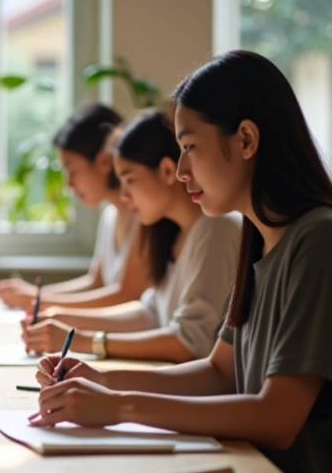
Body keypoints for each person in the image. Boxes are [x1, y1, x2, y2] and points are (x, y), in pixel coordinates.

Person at [32, 50, 332, 473]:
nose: (183, 169)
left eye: (190, 147)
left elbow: (277, 417)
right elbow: (220, 371)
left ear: (247, 139)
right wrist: (104, 380)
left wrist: (121, 407)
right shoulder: (261, 238)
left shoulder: (323, 241)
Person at [23, 110, 239, 363]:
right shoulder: (173, 233)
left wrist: (83, 340)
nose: (124, 197)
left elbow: (191, 342)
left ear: (167, 171)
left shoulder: (216, 229)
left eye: (130, 180)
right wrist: (62, 319)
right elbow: (150, 314)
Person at [0, 103, 150, 310]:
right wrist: (33, 294)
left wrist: (36, 300)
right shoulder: (110, 216)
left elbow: (127, 294)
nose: (69, 184)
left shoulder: (144, 216)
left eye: (72, 170)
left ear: (104, 161)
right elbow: (96, 283)